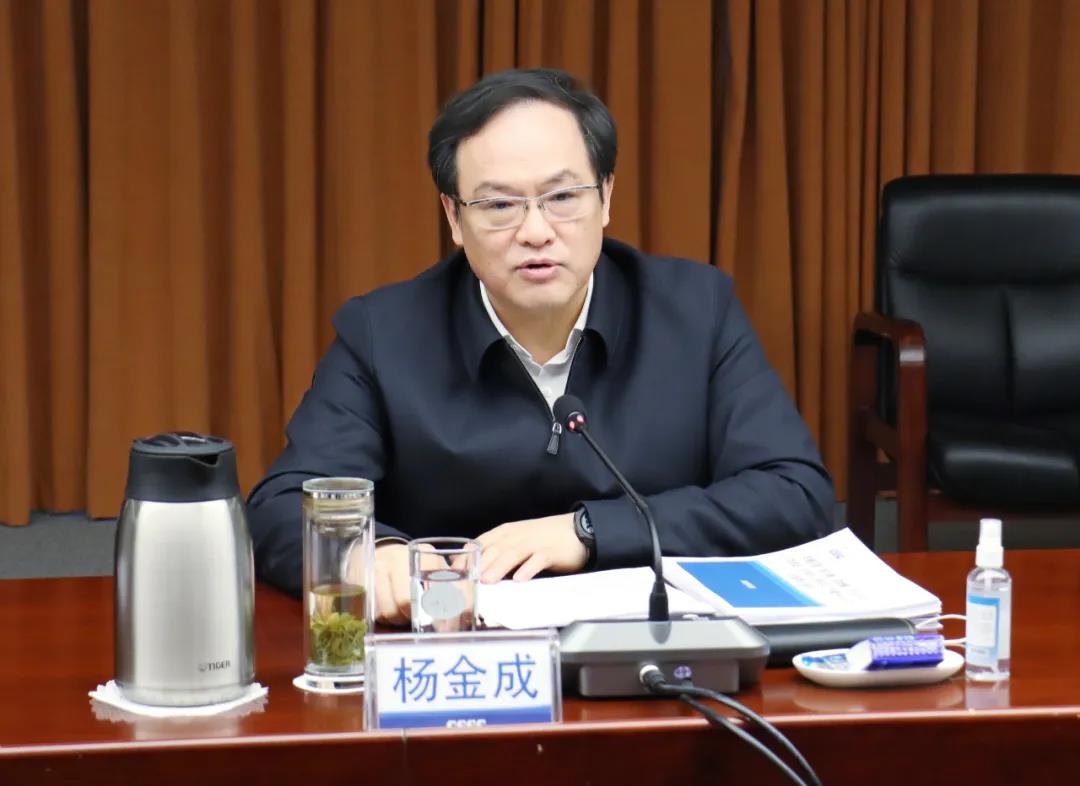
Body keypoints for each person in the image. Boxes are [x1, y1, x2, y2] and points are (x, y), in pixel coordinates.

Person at [247, 68, 834, 625]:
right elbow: (281, 507)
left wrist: (589, 531)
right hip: (457, 650)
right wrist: (374, 555)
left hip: (644, 651)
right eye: (499, 205)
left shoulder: (694, 312)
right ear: (454, 217)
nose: (535, 231)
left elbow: (793, 493)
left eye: (562, 197)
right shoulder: (384, 333)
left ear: (606, 197)